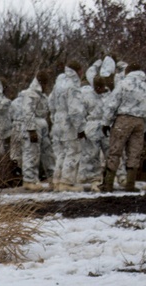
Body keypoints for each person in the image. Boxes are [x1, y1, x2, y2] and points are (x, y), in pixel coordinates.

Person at [100, 63, 146, 192]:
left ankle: (108, 184)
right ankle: (130, 184)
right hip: (140, 121)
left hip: (124, 119)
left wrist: (106, 122)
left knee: (115, 150)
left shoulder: (123, 84)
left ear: (127, 72)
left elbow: (113, 103)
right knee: (134, 153)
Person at [48, 62, 87, 191]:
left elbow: (51, 101)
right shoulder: (73, 86)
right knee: (73, 151)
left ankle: (57, 180)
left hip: (58, 121)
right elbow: (75, 110)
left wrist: (54, 117)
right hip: (69, 123)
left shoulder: (59, 83)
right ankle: (66, 182)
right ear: (78, 70)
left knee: (61, 153)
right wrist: (80, 128)